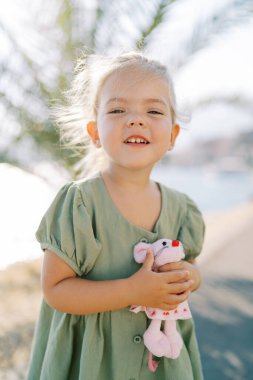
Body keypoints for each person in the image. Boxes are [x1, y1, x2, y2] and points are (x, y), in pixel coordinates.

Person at [27, 51, 205, 380]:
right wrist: (131, 291)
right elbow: (55, 290)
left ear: (172, 136)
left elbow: (190, 266)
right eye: (118, 109)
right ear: (95, 133)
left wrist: (191, 278)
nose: (136, 120)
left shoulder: (182, 208)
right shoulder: (80, 203)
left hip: (163, 365)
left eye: (153, 110)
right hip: (92, 364)